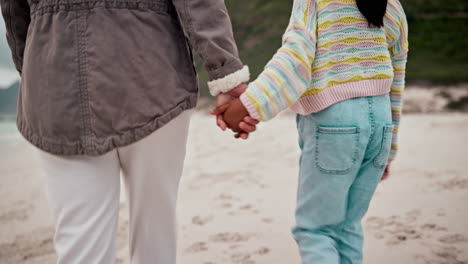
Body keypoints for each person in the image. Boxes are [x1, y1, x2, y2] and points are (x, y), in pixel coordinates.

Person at [1, 0, 254, 263]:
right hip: (151, 75)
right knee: (155, 233)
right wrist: (225, 73)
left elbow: (13, 12)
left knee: (81, 245)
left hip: (58, 85)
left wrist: (32, 66)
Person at [214, 0, 409, 262]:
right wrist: (390, 148)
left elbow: (296, 59)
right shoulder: (391, 5)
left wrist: (248, 105)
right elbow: (397, 79)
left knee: (316, 231)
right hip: (381, 123)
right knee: (347, 228)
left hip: (336, 121)